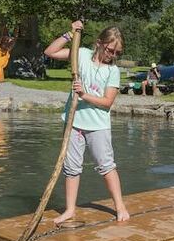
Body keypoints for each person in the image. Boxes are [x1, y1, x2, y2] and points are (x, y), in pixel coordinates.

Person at [44, 20, 130, 225]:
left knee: (106, 166)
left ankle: (120, 207)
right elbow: (50, 52)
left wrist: (84, 94)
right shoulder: (80, 54)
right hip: (74, 121)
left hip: (98, 126)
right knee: (72, 168)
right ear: (100, 43)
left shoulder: (113, 71)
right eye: (111, 50)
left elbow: (107, 103)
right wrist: (70, 34)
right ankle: (70, 210)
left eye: (118, 53)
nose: (113, 56)